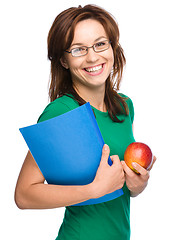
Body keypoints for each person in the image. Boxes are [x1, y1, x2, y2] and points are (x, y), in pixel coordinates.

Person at [15, 4, 156, 240]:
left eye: (100, 44)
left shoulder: (124, 106)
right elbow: (24, 194)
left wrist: (136, 187)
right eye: (78, 49)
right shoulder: (61, 112)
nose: (93, 57)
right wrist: (93, 190)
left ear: (112, 47)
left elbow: (117, 190)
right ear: (63, 60)